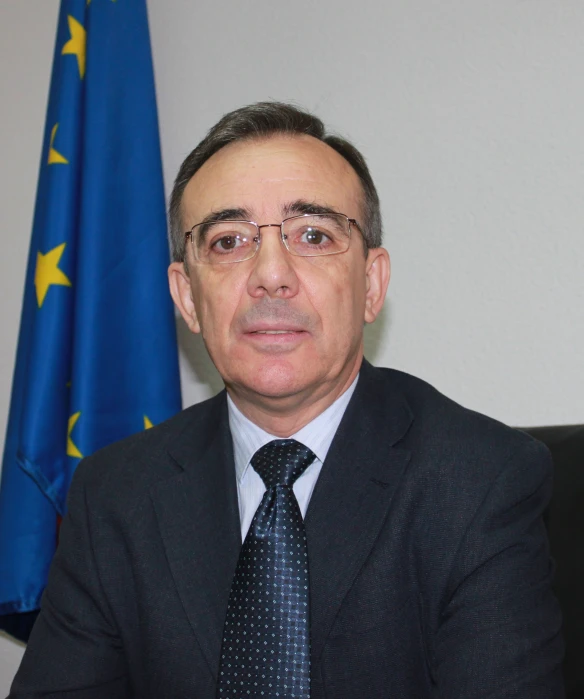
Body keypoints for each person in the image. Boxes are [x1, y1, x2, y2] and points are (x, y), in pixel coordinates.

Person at [10, 102, 564, 698]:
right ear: (188, 297)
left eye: (313, 235)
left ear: (371, 284)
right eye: (228, 242)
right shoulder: (114, 494)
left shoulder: (481, 481)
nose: (271, 274)